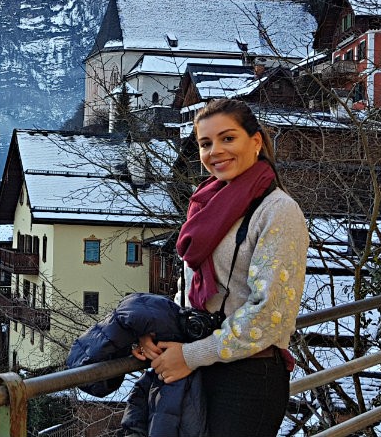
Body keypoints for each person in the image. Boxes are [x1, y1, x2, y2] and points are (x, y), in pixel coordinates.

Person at [132, 98, 309, 437]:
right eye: (205, 143)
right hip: (198, 366)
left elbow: (270, 314)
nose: (215, 151)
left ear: (255, 142)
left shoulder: (277, 211)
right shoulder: (205, 206)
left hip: (247, 379)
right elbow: (189, 291)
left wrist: (193, 355)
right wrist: (161, 336)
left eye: (228, 138)